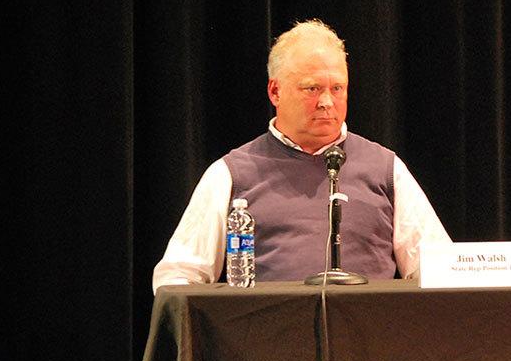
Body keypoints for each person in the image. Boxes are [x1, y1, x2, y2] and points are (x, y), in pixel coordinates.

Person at [153, 19, 450, 289]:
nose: (326, 101)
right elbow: (177, 277)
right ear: (275, 92)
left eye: (337, 88)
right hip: (264, 343)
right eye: (311, 89)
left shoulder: (386, 168)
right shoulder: (232, 173)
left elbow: (441, 268)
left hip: (370, 343)